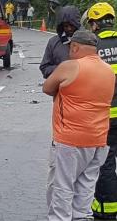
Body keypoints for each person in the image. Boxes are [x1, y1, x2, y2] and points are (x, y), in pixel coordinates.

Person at [43, 30, 115, 221]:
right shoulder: (109, 71)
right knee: (85, 188)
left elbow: (47, 88)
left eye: (70, 49)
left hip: (70, 140)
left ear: (75, 46)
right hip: (98, 140)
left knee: (62, 187)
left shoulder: (70, 66)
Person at [86, 2, 117, 220]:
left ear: (95, 23)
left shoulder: (93, 47)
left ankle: (107, 210)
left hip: (104, 116)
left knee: (105, 163)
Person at [39, 5, 81, 78]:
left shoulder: (88, 41)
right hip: (61, 86)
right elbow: (44, 68)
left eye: (72, 25)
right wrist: (62, 69)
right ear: (61, 26)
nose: (69, 29)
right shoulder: (53, 42)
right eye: (66, 26)